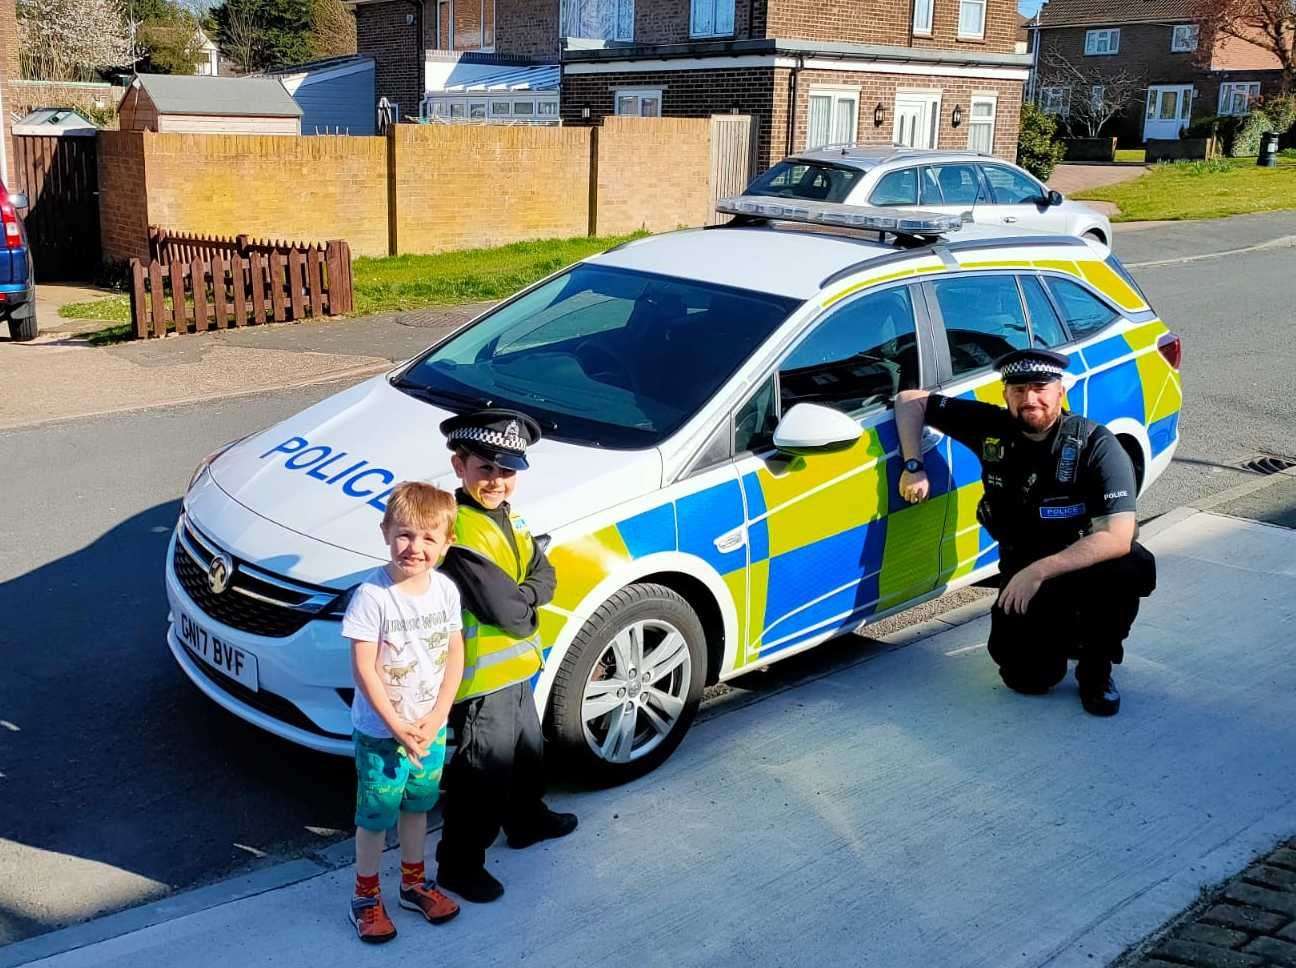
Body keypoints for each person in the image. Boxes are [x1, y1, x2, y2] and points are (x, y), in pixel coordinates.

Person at [894, 348, 1156, 716]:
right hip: (1021, 564)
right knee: (1027, 679)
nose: (1029, 398)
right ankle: (1059, 637)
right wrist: (912, 464)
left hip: (1081, 568)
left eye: (1039, 387)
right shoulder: (991, 427)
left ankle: (1095, 665)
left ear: (1060, 392)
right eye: (1017, 390)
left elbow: (1116, 535)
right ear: (1004, 394)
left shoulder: (1096, 445)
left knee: (1129, 563)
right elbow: (909, 401)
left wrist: (1038, 571)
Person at [434, 408, 577, 903]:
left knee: (526, 755)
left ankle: (526, 820)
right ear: (460, 467)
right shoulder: (458, 530)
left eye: (507, 470)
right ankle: (459, 863)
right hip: (481, 680)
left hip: (516, 669)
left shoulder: (508, 517)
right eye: (485, 468)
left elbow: (546, 576)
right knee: (481, 774)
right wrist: (528, 600)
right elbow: (507, 611)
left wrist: (528, 596)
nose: (497, 480)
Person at [341, 481, 465, 943]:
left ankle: (414, 884)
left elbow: (455, 655)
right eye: (405, 535)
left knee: (418, 807)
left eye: (429, 537)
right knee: (375, 815)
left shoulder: (446, 592)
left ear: (447, 543)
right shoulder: (373, 597)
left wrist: (436, 718)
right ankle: (365, 896)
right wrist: (397, 725)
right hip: (382, 733)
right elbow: (364, 669)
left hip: (430, 728)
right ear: (385, 532)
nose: (415, 547)